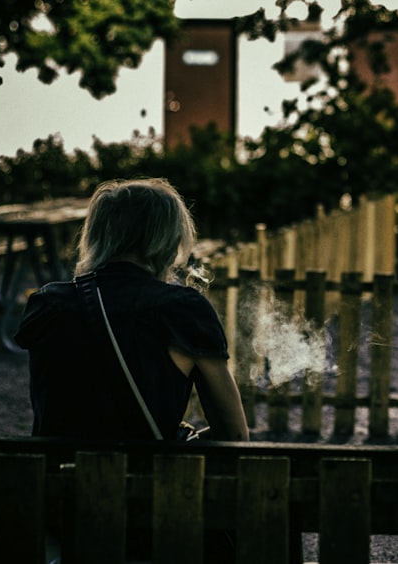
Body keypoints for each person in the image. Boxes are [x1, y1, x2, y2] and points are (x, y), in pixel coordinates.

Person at [16, 177, 249, 443]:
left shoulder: (49, 304)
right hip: (145, 481)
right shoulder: (183, 310)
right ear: (168, 240)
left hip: (55, 477)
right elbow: (234, 435)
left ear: (95, 234)